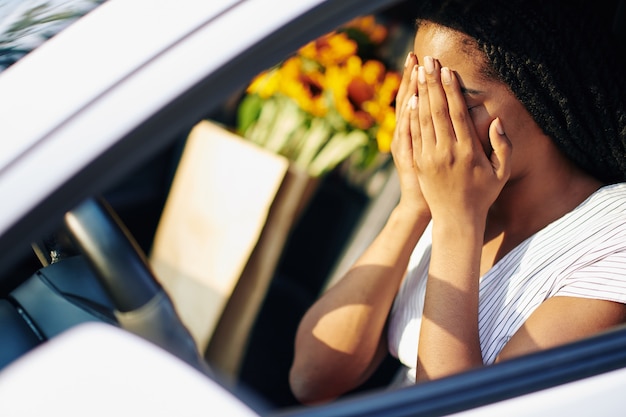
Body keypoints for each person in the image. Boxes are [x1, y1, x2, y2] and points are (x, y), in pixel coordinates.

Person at [288, 0, 626, 405]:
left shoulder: (612, 236)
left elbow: (461, 408)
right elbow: (311, 379)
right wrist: (413, 206)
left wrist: (456, 222)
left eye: (451, 99)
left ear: (544, 97)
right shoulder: (452, 192)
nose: (426, 118)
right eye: (417, 92)